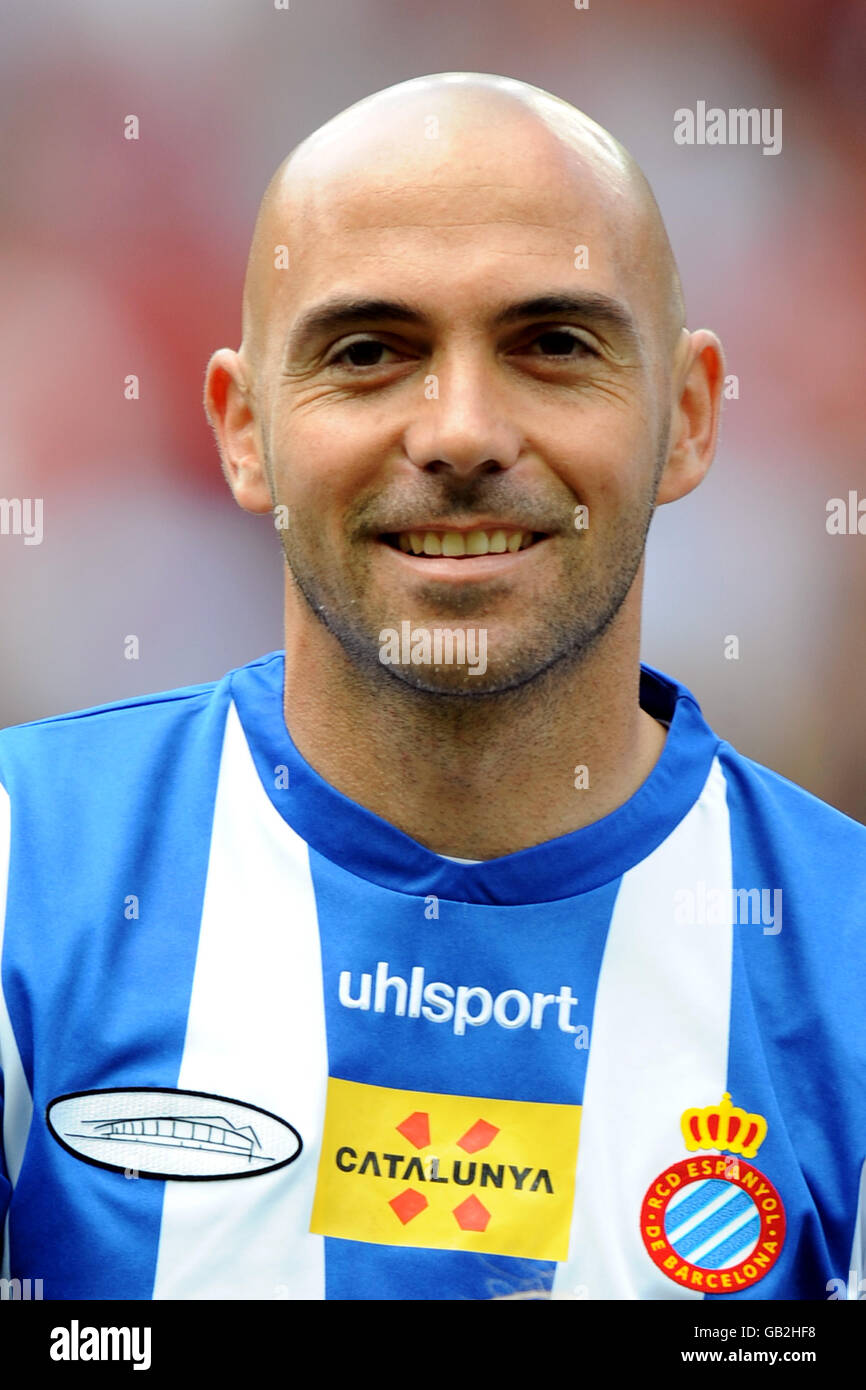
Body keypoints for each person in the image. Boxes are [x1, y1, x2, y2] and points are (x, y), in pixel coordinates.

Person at [0, 71, 863, 1303]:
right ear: (243, 431)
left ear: (685, 416)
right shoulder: (20, 871)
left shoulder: (843, 960)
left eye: (551, 345)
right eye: (368, 352)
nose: (459, 430)